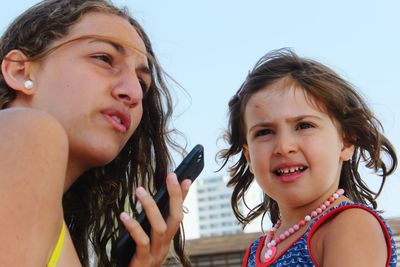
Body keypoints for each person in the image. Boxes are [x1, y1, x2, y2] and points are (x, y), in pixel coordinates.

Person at [0, 0, 192, 266]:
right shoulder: (28, 130)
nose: (135, 93)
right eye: (103, 58)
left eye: (141, 82)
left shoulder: (56, 224)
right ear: (20, 71)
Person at [218, 48, 398, 266]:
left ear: (346, 142)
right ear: (248, 156)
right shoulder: (258, 250)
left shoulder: (350, 224)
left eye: (304, 126)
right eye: (264, 132)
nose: (284, 147)